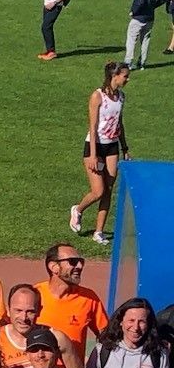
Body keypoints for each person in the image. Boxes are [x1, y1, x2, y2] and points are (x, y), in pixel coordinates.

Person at [71, 62, 130, 245]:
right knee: (98, 191)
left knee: (108, 190)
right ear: (114, 76)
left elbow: (119, 123)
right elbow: (93, 126)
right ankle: (78, 210)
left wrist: (125, 148)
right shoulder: (98, 96)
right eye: (125, 76)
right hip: (95, 145)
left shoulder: (121, 97)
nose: (127, 79)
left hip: (112, 147)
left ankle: (99, 232)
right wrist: (93, 154)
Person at [34, 244, 108, 363]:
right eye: (72, 262)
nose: (79, 266)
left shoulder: (89, 298)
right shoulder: (34, 295)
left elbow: (106, 336)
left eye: (81, 262)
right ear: (54, 267)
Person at [0, 284, 84, 368]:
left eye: (30, 312)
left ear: (39, 311)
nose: (23, 318)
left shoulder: (56, 338)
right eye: (18, 310)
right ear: (8, 311)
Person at [124, 0, 166, 70]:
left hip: (139, 18)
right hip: (150, 17)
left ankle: (128, 62)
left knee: (131, 39)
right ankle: (142, 63)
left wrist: (133, 12)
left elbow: (140, 1)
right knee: (145, 40)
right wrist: (153, 6)